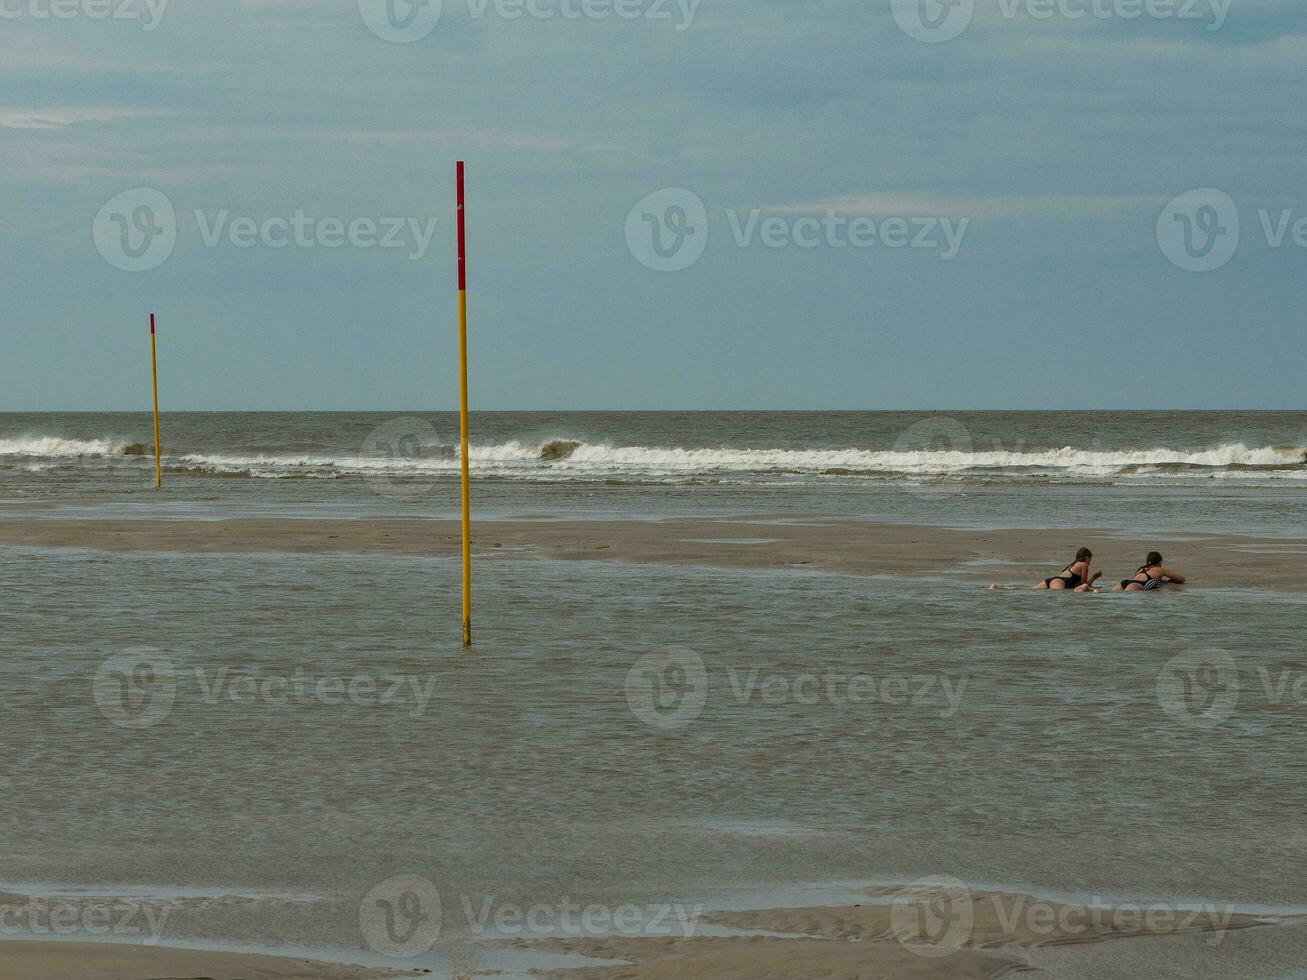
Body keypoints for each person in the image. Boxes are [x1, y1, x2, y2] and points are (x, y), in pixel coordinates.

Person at [991, 547, 1100, 591]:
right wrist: (1094, 578)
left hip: (1052, 580)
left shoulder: (1072, 565)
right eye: (1090, 559)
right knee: (1057, 597)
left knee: (1029, 590)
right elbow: (1084, 585)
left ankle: (998, 588)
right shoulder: (1084, 565)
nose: (1090, 562)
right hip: (1060, 582)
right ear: (1086, 557)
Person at [1114, 552, 1185, 591]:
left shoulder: (1141, 568)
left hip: (1125, 582)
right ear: (1160, 562)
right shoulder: (1160, 569)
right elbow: (1181, 579)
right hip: (1137, 585)